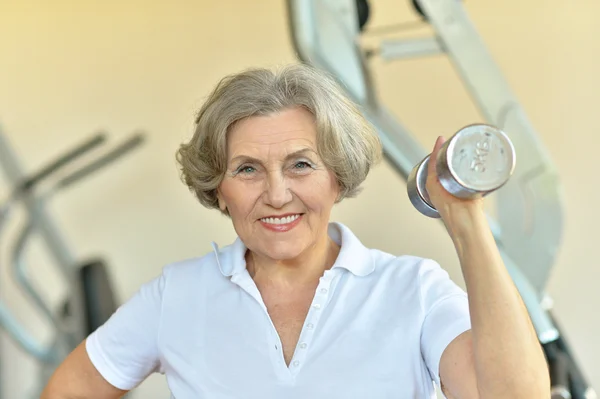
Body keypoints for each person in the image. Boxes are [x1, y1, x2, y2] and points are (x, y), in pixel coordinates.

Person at [41, 63, 550, 398]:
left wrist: (466, 222)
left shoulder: (412, 290)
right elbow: (70, 390)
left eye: (301, 164)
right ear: (219, 189)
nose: (277, 193)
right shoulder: (176, 296)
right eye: (246, 169)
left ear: (337, 177)